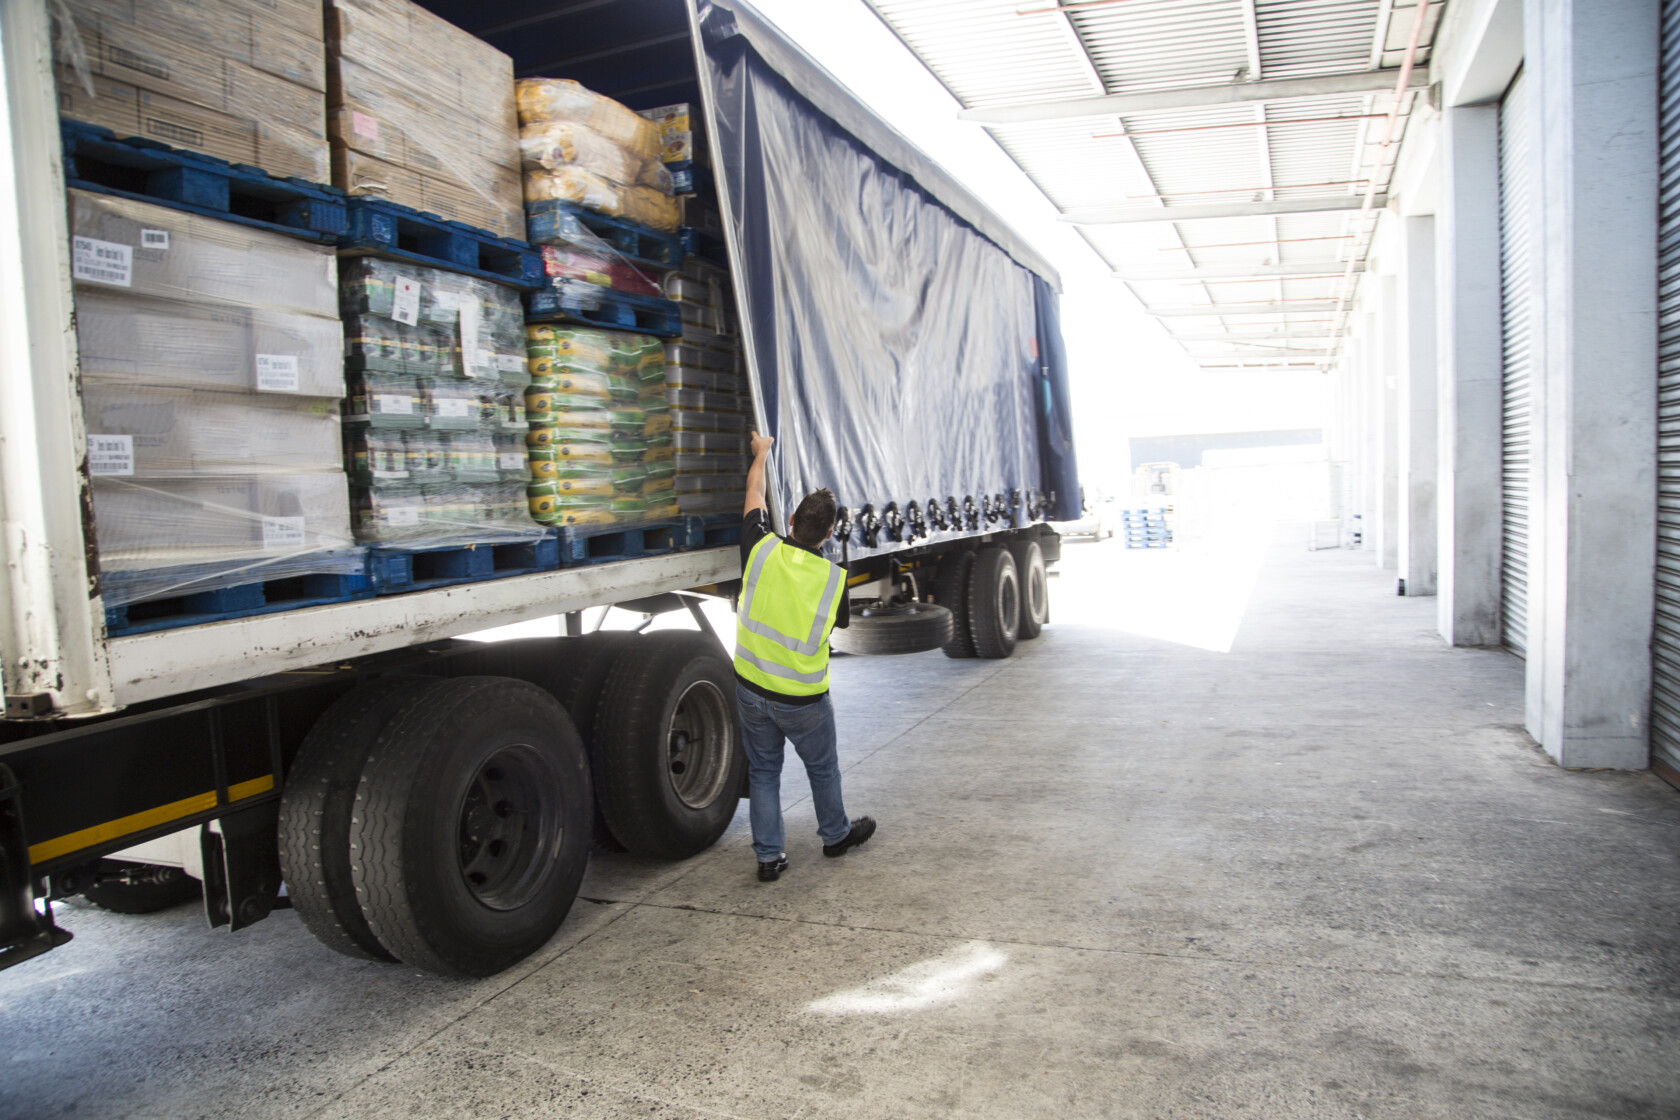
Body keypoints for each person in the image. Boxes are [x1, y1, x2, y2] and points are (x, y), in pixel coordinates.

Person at [733, 431, 875, 882]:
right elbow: (841, 627)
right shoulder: (833, 580)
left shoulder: (759, 547)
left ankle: (769, 858)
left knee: (764, 772)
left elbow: (754, 492)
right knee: (822, 768)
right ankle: (834, 837)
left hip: (752, 690)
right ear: (830, 533)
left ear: (790, 518)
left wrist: (762, 452)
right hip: (803, 701)